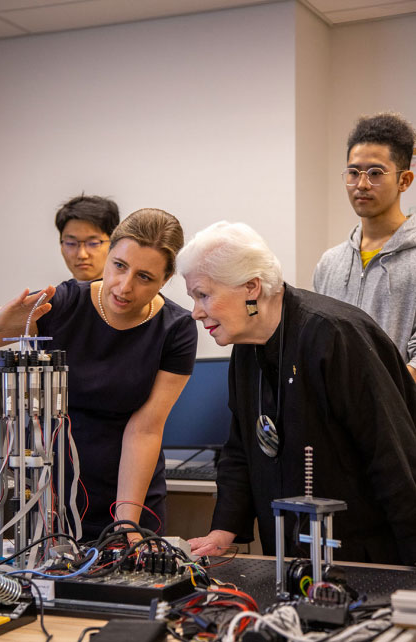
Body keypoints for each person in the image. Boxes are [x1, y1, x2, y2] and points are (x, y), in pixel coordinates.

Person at [181, 221, 416, 564]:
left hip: (366, 556)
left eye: (203, 295)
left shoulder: (335, 336)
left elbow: (394, 461)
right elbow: (241, 448)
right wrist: (224, 530)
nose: (196, 312)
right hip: (288, 556)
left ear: (251, 287)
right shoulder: (246, 345)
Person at [0, 208, 197, 537]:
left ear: (165, 279)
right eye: (119, 266)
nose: (124, 287)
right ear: (108, 256)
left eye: (144, 277)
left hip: (132, 497)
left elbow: (145, 430)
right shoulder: (63, 304)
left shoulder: (176, 329)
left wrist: (127, 525)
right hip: (51, 496)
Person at [314, 112, 416, 380]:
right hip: (337, 416)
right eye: (353, 172)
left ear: (404, 180)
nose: (361, 184)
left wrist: (381, 401)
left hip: (399, 414)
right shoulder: (329, 263)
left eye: (375, 173)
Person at [55, 194, 120, 281]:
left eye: (93, 243)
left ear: (113, 244)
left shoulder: (128, 293)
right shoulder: (52, 294)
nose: (82, 255)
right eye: (71, 243)